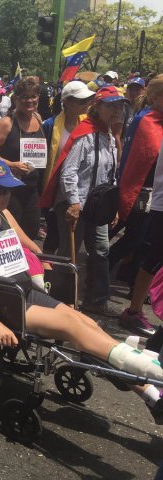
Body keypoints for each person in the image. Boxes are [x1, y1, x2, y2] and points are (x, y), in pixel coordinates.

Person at [0, 156, 163, 419]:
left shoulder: (1, 213)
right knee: (72, 327)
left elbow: (30, 245)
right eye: (0, 190)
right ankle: (151, 371)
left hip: (24, 289)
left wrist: (44, 262)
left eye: (9, 190)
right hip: (2, 300)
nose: (7, 196)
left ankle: (149, 392)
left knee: (85, 322)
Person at [40, 86, 127, 320]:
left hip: (97, 207)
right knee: (70, 255)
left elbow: (111, 172)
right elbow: (69, 172)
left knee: (101, 250)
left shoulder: (108, 135)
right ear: (97, 108)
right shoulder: (85, 134)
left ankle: (96, 300)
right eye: (110, 106)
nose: (116, 110)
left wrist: (113, 205)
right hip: (74, 204)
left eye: (119, 106)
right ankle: (60, 301)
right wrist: (74, 203)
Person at [115, 75, 163, 335]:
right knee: (145, 252)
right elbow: (139, 162)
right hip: (151, 199)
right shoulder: (147, 121)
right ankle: (133, 309)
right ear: (155, 98)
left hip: (153, 196)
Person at [0, 77, 47, 239]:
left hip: (32, 189)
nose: (30, 100)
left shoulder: (38, 119)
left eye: (33, 96)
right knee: (9, 235)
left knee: (31, 232)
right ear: (16, 98)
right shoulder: (7, 122)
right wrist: (11, 164)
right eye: (25, 96)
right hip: (9, 191)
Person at [41, 80, 95, 253]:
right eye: (82, 101)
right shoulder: (50, 125)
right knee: (54, 235)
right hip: (54, 188)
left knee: (69, 238)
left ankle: (63, 273)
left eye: (88, 100)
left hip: (79, 190)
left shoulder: (89, 125)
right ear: (67, 102)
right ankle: (47, 272)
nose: (87, 104)